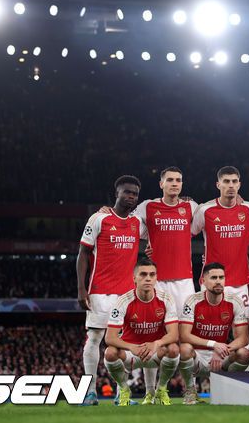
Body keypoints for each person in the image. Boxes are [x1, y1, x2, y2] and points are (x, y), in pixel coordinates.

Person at [76, 175, 146, 405]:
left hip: (127, 295)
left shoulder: (137, 223)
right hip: (100, 290)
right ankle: (90, 392)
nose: (131, 197)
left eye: (135, 194)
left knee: (121, 343)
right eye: (127, 192)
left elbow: (161, 226)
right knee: (95, 337)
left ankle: (121, 395)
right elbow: (83, 254)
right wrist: (81, 288)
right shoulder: (99, 218)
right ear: (117, 193)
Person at [134, 166, 198, 402]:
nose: (174, 183)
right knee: (151, 335)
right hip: (156, 281)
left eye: (178, 180)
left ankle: (190, 390)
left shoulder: (191, 207)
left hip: (184, 282)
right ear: (161, 184)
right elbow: (129, 224)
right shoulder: (147, 207)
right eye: (170, 180)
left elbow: (214, 211)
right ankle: (150, 392)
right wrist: (146, 245)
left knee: (185, 338)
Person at [104, 258, 180, 406]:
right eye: (143, 274)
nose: (148, 278)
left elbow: (174, 335)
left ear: (156, 278)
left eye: (152, 275)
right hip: (131, 353)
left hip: (155, 352)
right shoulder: (123, 301)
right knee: (110, 352)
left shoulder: (166, 299)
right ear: (134, 278)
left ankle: (161, 388)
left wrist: (156, 343)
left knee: (173, 349)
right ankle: (124, 389)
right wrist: (131, 347)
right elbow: (110, 338)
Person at [178, 263, 249, 404]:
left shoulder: (234, 301)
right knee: (184, 349)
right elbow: (184, 335)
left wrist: (222, 349)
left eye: (221, 277)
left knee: (244, 353)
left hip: (222, 357)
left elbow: (243, 338)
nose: (218, 281)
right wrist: (214, 344)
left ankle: (228, 391)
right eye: (213, 278)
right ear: (203, 281)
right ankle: (190, 391)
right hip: (197, 356)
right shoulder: (193, 301)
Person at [191, 166, 249, 314]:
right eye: (226, 181)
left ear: (239, 184)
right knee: (209, 324)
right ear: (218, 185)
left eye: (234, 181)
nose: (231, 185)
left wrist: (240, 244)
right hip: (211, 281)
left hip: (240, 283)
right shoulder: (205, 210)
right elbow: (188, 234)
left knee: (242, 325)